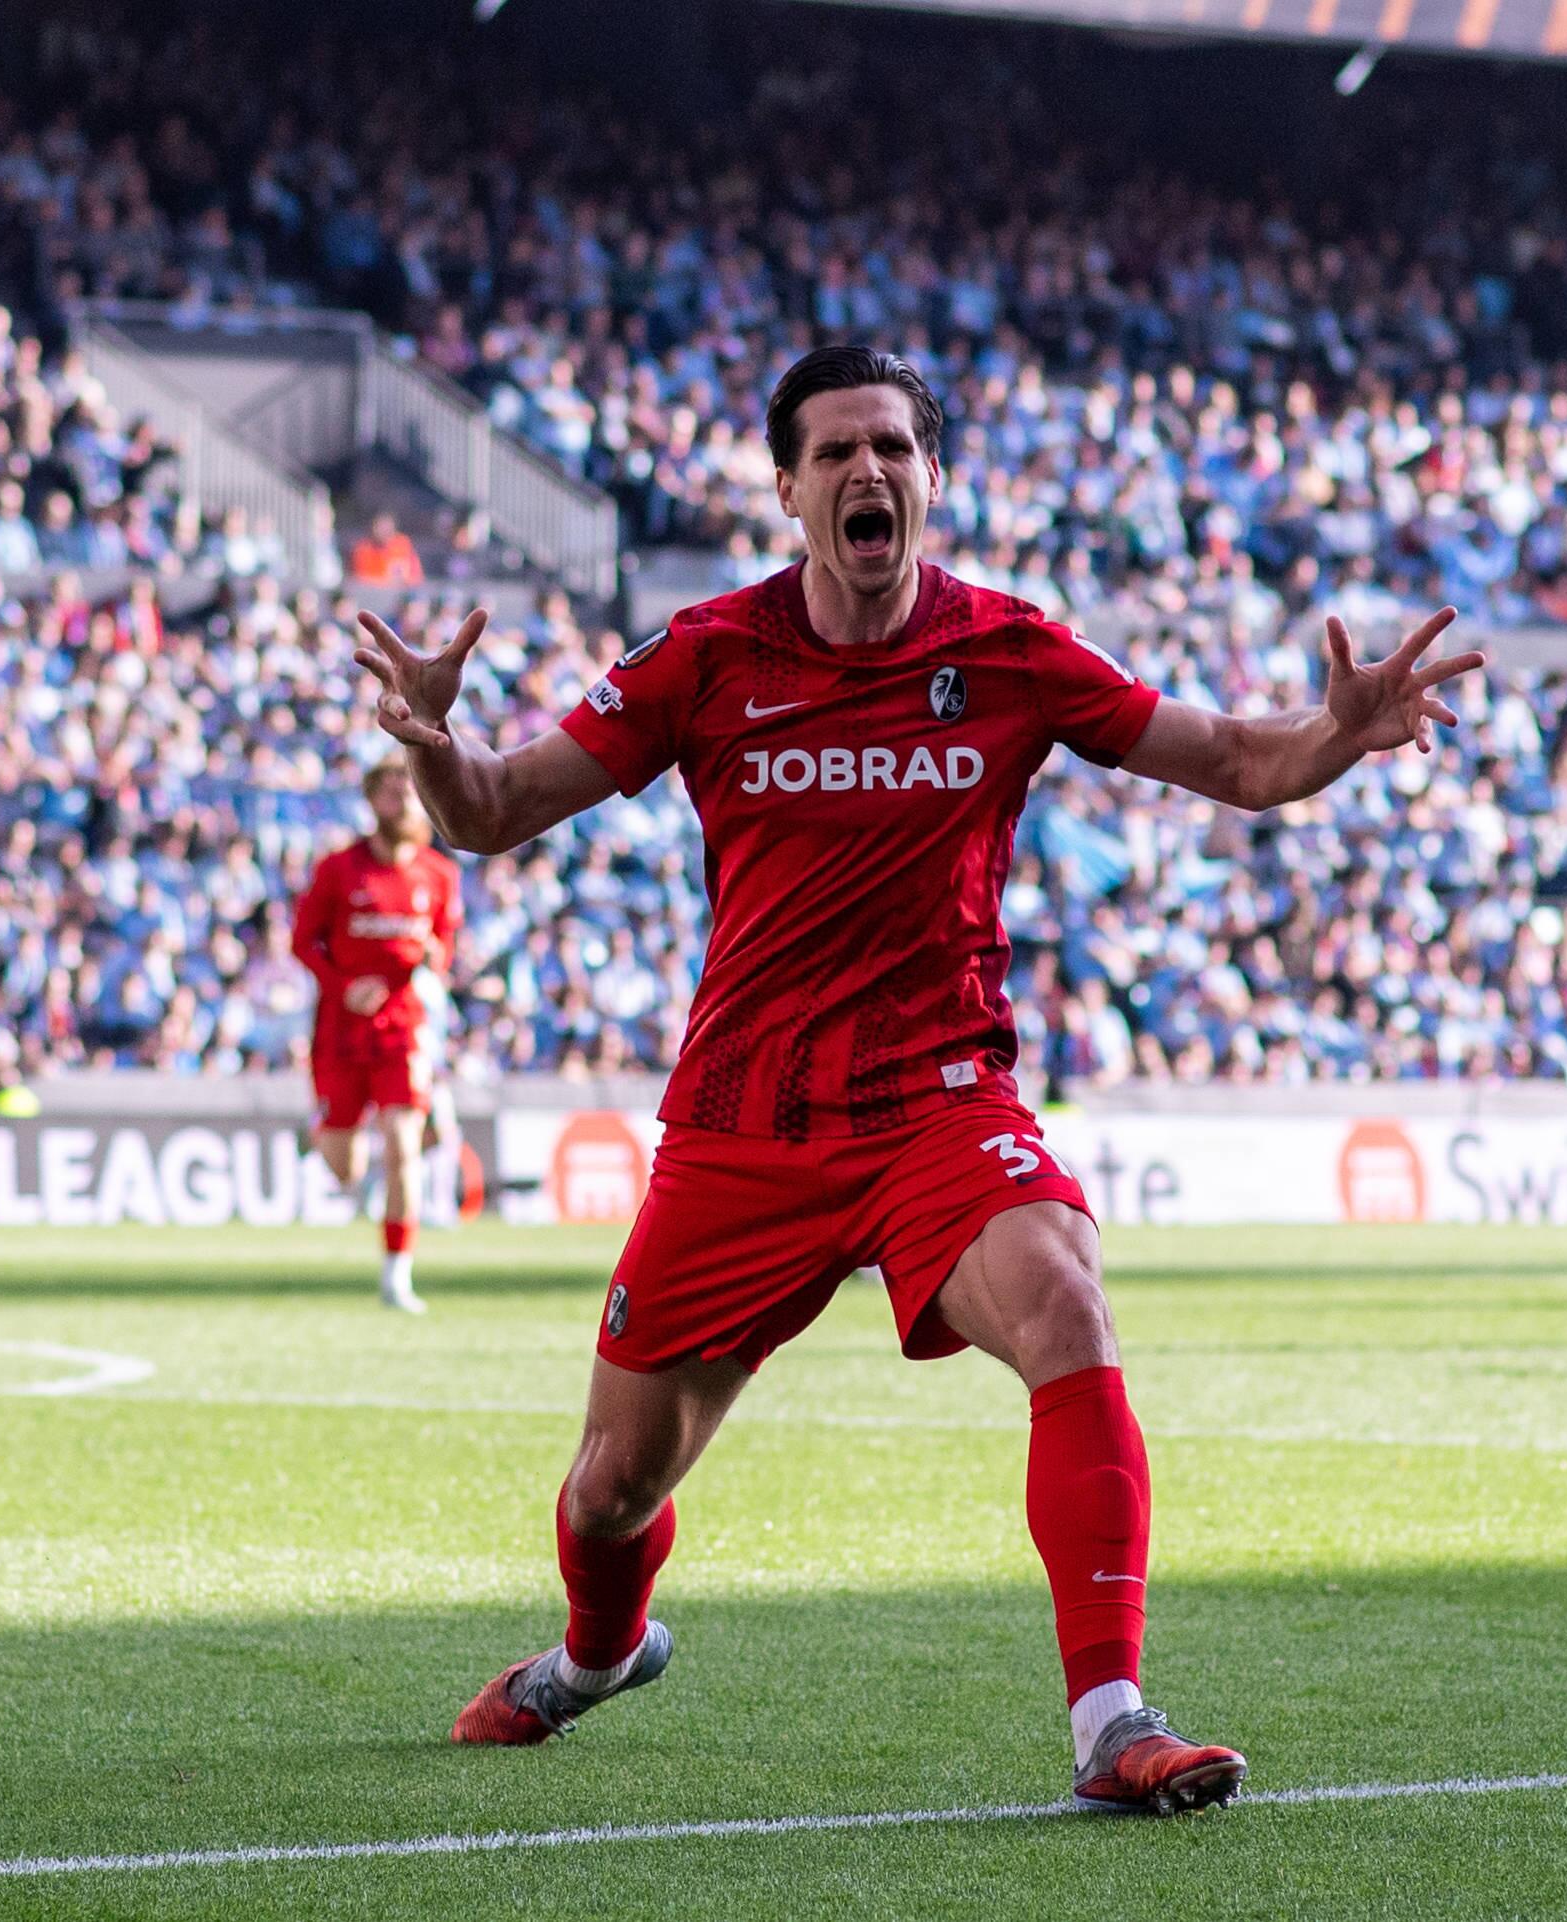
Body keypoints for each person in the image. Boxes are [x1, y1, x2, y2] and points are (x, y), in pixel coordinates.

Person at [352, 344, 1482, 1814]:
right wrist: (435, 742)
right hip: (744, 1121)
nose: (864, 470)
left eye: (890, 446)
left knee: (1065, 1299)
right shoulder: (706, 654)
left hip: (937, 1102)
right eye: (833, 452)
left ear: (930, 478)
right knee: (610, 1488)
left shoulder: (1009, 649)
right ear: (787, 490)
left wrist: (1339, 728)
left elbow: (1234, 760)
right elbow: (494, 811)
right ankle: (597, 1650)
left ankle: (1111, 1720)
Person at [293, 758, 463, 1313]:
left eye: (412, 789)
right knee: (347, 1168)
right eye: (392, 791)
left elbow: (444, 949)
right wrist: (343, 987)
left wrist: (436, 958)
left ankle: (397, 1276)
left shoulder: (440, 874)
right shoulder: (339, 869)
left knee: (403, 1145)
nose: (405, 800)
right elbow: (303, 942)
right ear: (372, 801)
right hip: (341, 1031)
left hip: (404, 1028)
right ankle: (321, 1133)